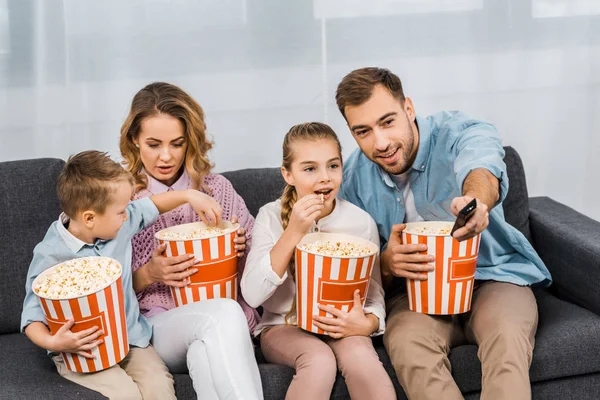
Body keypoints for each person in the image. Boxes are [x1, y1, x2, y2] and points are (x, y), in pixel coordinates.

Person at [335, 67, 552, 400]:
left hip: (492, 278)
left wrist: (476, 201)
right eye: (363, 131)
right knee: (409, 348)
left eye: (388, 122)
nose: (380, 143)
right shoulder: (351, 179)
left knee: (507, 342)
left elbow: (481, 166)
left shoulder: (459, 131)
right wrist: (387, 262)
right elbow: (355, 263)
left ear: (408, 108)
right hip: (414, 297)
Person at [21, 150, 224, 400]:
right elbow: (31, 317)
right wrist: (55, 344)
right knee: (126, 394)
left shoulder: (118, 224)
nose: (128, 214)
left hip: (131, 340)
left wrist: (190, 195)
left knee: (160, 387)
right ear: (89, 218)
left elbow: (153, 205)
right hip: (84, 351)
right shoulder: (50, 254)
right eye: (121, 211)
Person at [120, 82, 263, 400]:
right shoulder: (120, 198)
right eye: (154, 144)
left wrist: (242, 251)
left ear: (191, 142)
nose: (166, 156)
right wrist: (149, 274)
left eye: (177, 143)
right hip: (158, 325)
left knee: (204, 354)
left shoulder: (218, 189)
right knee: (225, 313)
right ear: (134, 141)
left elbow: (263, 268)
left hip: (217, 330)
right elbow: (99, 288)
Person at [241, 122, 396, 400]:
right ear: (288, 174)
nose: (325, 177)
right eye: (310, 168)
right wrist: (293, 233)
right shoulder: (271, 216)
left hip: (342, 326)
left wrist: (368, 324)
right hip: (282, 327)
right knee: (319, 360)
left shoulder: (360, 222)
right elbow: (252, 295)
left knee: (364, 361)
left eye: (333, 166)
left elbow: (373, 295)